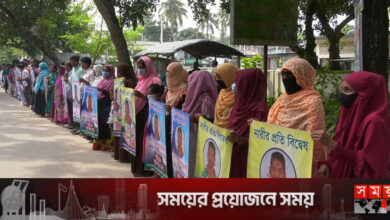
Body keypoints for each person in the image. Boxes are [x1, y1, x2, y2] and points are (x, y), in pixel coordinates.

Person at [311, 71, 390, 178]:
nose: (343, 95)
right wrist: (328, 163)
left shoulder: (375, 122)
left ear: (365, 94)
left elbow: (366, 164)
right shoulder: (350, 112)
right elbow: (343, 143)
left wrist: (330, 143)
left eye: (348, 90)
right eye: (342, 89)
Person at [267, 58, 326, 178]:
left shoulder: (312, 101)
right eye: (283, 75)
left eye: (290, 74)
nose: (285, 79)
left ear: (303, 75)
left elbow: (316, 137)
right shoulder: (282, 99)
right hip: (278, 154)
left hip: (301, 160)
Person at [227, 68, 269, 178]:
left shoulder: (259, 109)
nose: (236, 87)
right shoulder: (238, 105)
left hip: (246, 160)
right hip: (231, 155)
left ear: (249, 85)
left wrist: (242, 140)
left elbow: (263, 138)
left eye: (239, 83)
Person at [182, 70, 218, 178]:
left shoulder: (206, 100)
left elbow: (207, 122)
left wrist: (197, 120)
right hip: (191, 135)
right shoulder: (194, 98)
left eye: (192, 81)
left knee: (194, 163)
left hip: (196, 137)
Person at [92, 64, 115, 151]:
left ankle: (107, 144)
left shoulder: (112, 82)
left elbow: (111, 95)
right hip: (98, 103)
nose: (104, 72)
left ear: (111, 72)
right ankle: (99, 143)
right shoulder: (102, 81)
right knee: (99, 124)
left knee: (105, 124)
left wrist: (103, 91)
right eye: (104, 70)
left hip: (106, 105)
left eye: (107, 71)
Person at [214, 63, 239, 128]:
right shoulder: (222, 92)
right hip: (217, 133)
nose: (219, 80)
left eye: (221, 77)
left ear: (229, 76)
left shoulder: (238, 94)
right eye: (218, 77)